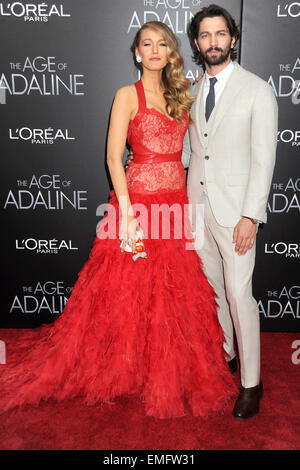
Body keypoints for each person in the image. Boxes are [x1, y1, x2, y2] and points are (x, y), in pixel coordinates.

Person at [0, 21, 236, 419]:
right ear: (137, 53)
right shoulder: (127, 95)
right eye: (148, 44)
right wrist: (126, 212)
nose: (156, 50)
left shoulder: (182, 96)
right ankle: (123, 369)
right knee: (124, 293)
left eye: (163, 43)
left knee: (170, 292)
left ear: (170, 52)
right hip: (138, 205)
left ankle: (159, 368)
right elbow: (113, 157)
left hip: (175, 205)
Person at [182, 4, 278, 420]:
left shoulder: (257, 90)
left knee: (240, 295)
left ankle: (251, 384)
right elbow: (190, 153)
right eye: (205, 36)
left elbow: (264, 159)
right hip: (197, 209)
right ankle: (226, 355)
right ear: (198, 44)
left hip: (236, 213)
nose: (213, 43)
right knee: (214, 290)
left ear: (233, 39)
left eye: (220, 35)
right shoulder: (193, 90)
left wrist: (250, 216)